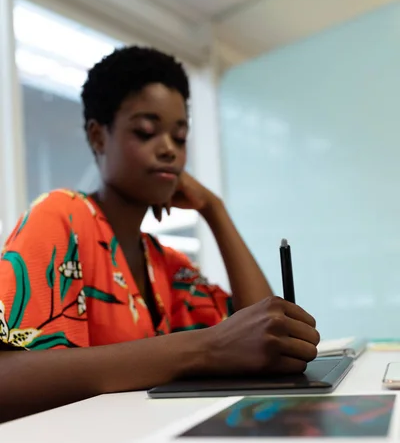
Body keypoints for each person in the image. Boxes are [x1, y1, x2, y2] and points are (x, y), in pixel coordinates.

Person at [0, 46, 319, 421]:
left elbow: (266, 336)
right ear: (99, 137)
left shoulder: (167, 264)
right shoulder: (61, 216)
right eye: (146, 131)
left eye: (180, 137)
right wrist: (206, 348)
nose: (169, 149)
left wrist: (214, 210)